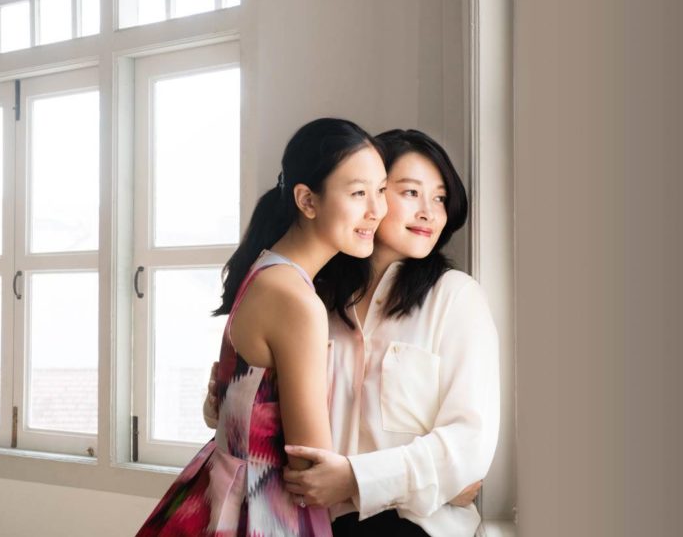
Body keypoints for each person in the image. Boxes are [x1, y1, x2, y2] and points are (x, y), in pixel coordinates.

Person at [136, 118, 388, 537]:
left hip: (224, 489)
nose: (376, 210)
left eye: (381, 190)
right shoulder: (295, 299)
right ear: (307, 200)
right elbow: (310, 464)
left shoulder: (267, 272)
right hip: (265, 511)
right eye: (359, 193)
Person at [282, 129, 501, 537]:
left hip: (415, 528)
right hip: (310, 523)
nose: (429, 213)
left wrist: (355, 478)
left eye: (439, 198)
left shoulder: (456, 298)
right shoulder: (313, 302)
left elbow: (469, 445)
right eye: (411, 193)